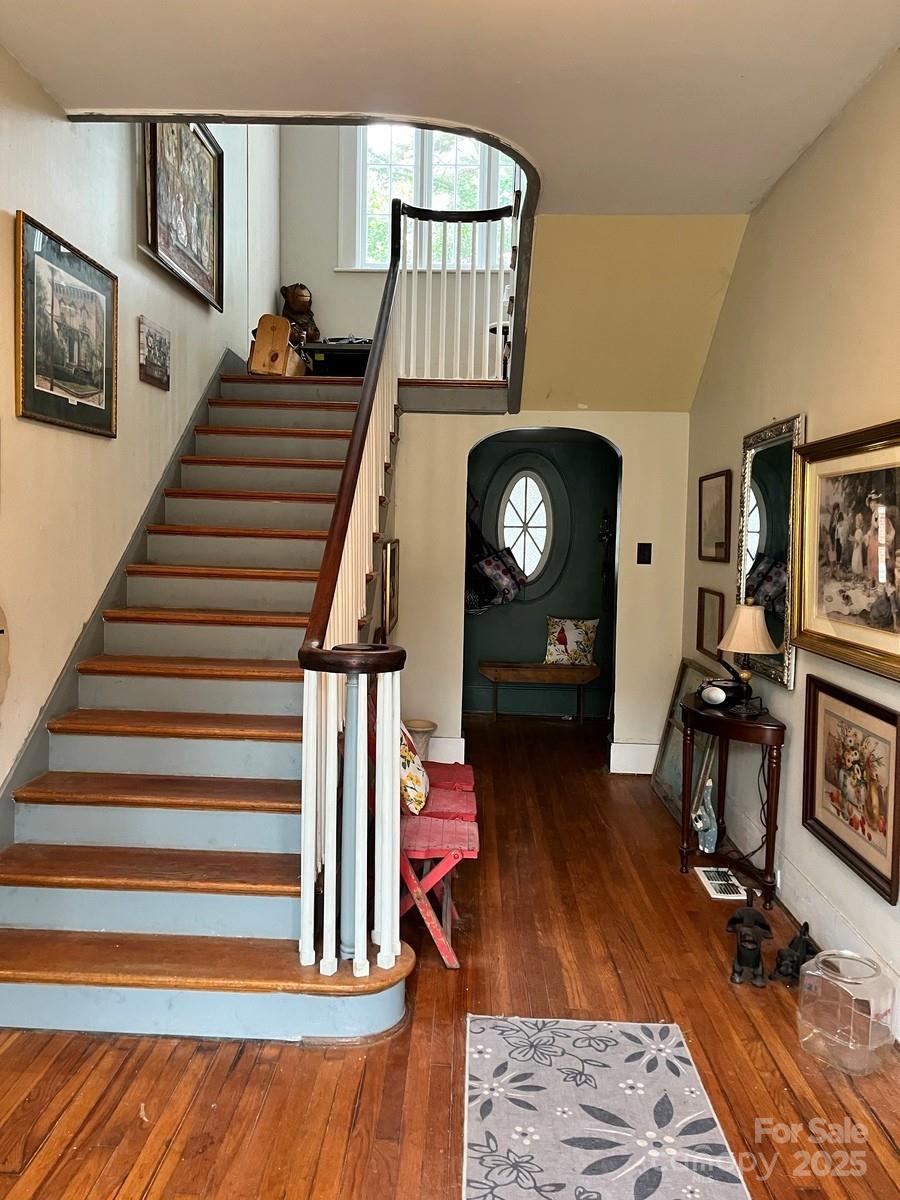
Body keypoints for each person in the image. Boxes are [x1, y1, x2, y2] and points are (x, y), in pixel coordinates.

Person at [851, 511, 866, 577]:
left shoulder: (858, 531)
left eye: (856, 521)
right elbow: (861, 540)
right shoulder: (859, 531)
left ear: (859, 523)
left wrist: (852, 539)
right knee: (857, 559)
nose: (855, 523)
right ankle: (857, 573)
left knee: (856, 559)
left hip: (857, 548)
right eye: (856, 521)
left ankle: (857, 573)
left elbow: (857, 541)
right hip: (858, 548)